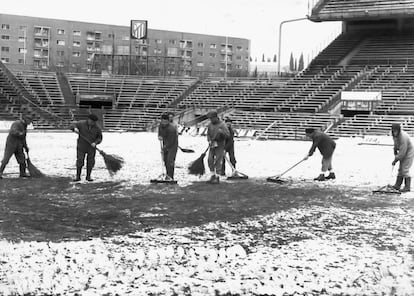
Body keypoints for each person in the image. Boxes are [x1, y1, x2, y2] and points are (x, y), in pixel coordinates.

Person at [71, 114, 102, 182]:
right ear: (88, 119)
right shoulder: (81, 123)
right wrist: (74, 128)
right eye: (91, 121)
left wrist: (95, 143)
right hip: (81, 146)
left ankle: (88, 176)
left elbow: (99, 138)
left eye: (94, 122)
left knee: (90, 162)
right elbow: (72, 125)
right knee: (80, 160)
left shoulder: (97, 128)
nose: (92, 123)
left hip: (91, 147)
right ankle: (78, 176)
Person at [0, 114, 33, 179]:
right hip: (11, 144)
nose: (30, 123)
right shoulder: (16, 123)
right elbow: (13, 131)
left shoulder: (25, 126)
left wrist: (25, 146)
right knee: (6, 159)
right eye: (29, 121)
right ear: (26, 119)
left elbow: (24, 137)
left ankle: (22, 173)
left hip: (19, 145)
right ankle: (0, 172)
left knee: (22, 159)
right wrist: (19, 133)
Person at [206, 111, 230, 184]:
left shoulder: (222, 125)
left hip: (220, 144)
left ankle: (217, 176)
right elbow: (208, 133)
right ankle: (212, 174)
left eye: (212, 118)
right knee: (210, 159)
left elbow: (227, 135)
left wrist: (221, 133)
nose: (211, 120)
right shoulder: (210, 125)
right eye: (210, 119)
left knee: (218, 160)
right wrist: (209, 140)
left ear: (216, 117)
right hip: (212, 144)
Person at [391, 123, 414, 192]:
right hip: (403, 151)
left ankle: (407, 187)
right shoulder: (395, 136)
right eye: (393, 131)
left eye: (396, 131)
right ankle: (397, 185)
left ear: (399, 130)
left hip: (409, 151)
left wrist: (396, 159)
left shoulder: (403, 137)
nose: (395, 132)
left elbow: (402, 152)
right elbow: (396, 143)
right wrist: (395, 149)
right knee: (400, 169)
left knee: (405, 169)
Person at [158, 113, 179, 180]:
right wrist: (159, 136)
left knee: (170, 160)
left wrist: (164, 148)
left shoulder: (171, 129)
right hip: (164, 143)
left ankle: (171, 176)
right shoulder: (160, 126)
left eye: (165, 122)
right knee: (165, 160)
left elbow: (171, 141)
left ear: (168, 121)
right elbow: (160, 132)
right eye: (163, 121)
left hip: (173, 146)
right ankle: (167, 174)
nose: (164, 123)